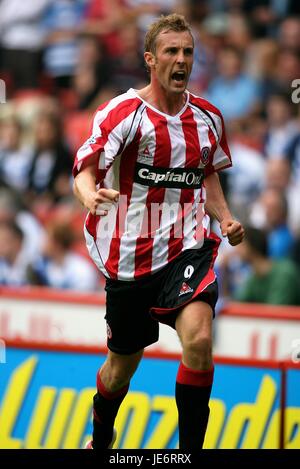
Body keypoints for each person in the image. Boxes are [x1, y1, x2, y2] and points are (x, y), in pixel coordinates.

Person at [72, 13, 244, 450]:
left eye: (187, 51)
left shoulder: (208, 118)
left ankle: (188, 454)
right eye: (172, 51)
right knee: (120, 369)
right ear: (151, 59)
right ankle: (102, 435)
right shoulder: (123, 113)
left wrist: (223, 217)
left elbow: (207, 173)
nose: (181, 59)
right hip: (129, 257)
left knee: (201, 340)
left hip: (187, 247)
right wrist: (90, 195)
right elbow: (85, 171)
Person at [233, 226, 300, 306]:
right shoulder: (254, 278)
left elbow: (274, 313)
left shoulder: (284, 274)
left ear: (252, 246)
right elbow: (237, 303)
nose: (236, 249)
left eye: (240, 244)